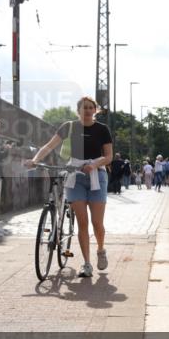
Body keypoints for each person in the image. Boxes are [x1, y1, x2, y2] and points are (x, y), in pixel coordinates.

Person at [25, 96, 114, 278]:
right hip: (74, 175)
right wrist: (35, 160)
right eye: (84, 107)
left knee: (97, 223)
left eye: (90, 107)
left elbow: (108, 156)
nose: (87, 110)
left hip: (97, 175)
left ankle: (101, 249)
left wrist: (94, 165)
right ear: (78, 110)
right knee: (82, 222)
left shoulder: (102, 129)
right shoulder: (69, 126)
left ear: (95, 110)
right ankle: (86, 264)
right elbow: (49, 146)